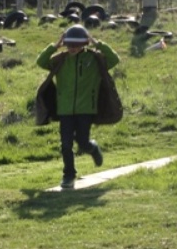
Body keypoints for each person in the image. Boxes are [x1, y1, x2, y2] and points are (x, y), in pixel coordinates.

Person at [36, 24, 121, 189]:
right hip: (65, 110)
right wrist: (54, 46)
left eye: (76, 45)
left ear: (84, 44)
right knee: (65, 145)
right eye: (69, 45)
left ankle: (92, 148)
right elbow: (41, 61)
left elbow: (114, 59)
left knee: (82, 142)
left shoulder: (94, 59)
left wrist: (98, 44)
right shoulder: (60, 60)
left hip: (86, 109)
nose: (72, 48)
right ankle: (68, 175)